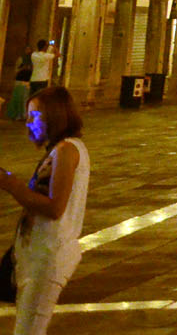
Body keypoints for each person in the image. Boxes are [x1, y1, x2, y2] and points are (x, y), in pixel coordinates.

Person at [0, 87, 90, 335]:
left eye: (34, 117)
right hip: (37, 255)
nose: (28, 123)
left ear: (54, 116)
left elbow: (55, 207)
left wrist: (12, 186)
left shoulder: (66, 150)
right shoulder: (59, 150)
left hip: (49, 257)